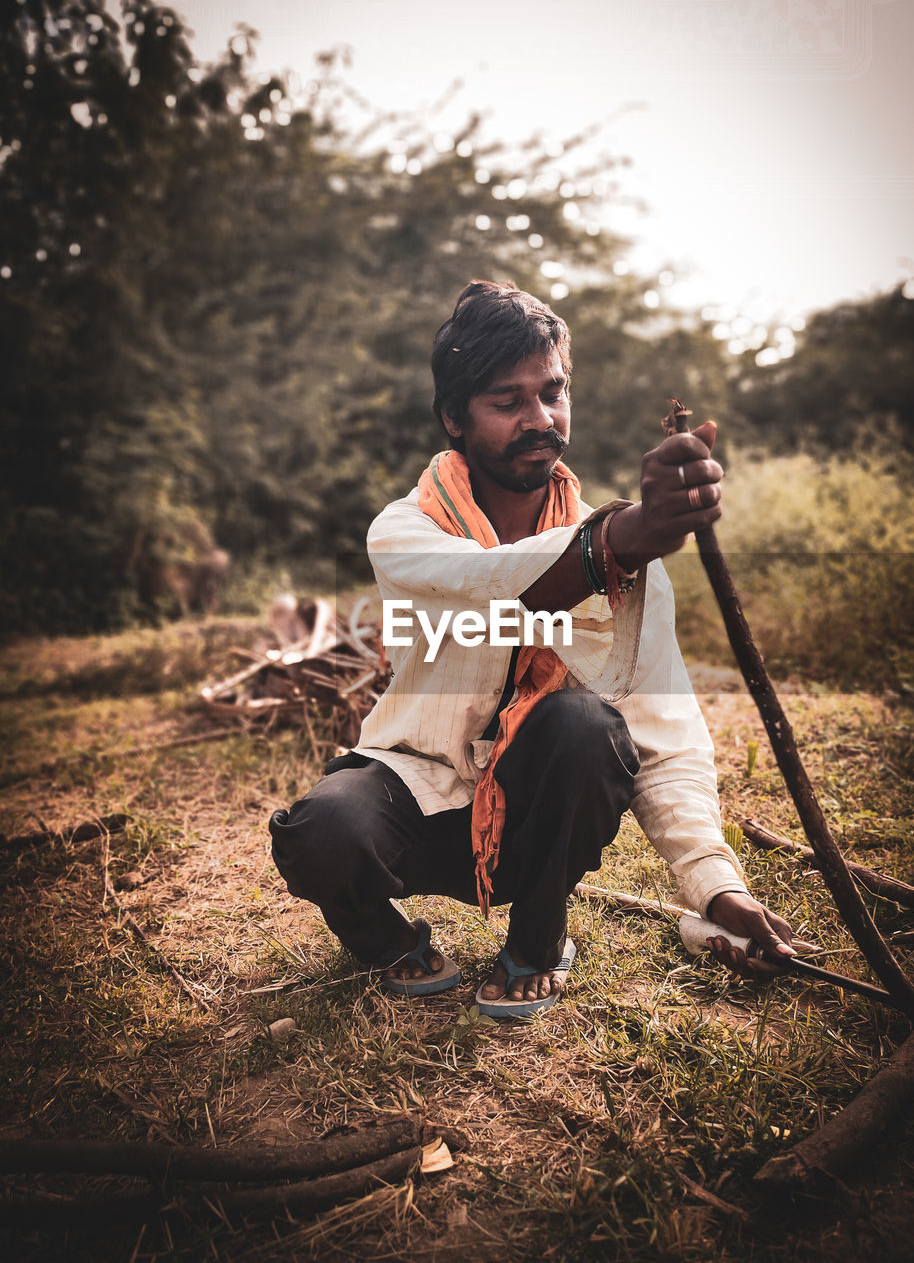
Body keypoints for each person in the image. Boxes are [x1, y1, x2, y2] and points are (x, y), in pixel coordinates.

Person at [269, 280, 797, 1018]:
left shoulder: (625, 566)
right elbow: (491, 589)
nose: (539, 419)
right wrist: (619, 540)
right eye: (507, 401)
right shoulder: (405, 532)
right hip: (423, 788)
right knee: (321, 832)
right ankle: (397, 947)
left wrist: (717, 885)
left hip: (538, 812)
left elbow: (665, 736)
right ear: (455, 416)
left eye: (552, 392)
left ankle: (537, 945)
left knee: (587, 728)